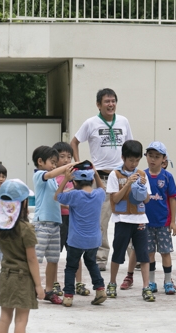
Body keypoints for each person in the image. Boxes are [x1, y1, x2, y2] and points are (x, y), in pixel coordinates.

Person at [70, 88, 133, 271]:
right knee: (100, 221)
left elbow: (130, 145)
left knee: (128, 218)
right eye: (106, 101)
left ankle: (133, 258)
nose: (110, 104)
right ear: (98, 104)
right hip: (101, 179)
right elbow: (74, 142)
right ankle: (100, 258)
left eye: (113, 101)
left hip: (121, 177)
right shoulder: (91, 123)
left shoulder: (123, 121)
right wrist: (79, 164)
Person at [0, 179, 44, 333]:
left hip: (6, 275)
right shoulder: (26, 228)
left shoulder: (0, 226)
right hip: (22, 277)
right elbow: (32, 259)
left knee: (4, 317)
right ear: (23, 203)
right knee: (21, 320)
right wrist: (39, 286)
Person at [106, 140, 155, 302]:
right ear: (123, 158)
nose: (133, 164)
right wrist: (127, 184)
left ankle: (146, 286)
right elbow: (115, 198)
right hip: (122, 219)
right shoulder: (115, 175)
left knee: (144, 254)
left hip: (140, 219)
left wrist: (141, 187)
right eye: (130, 160)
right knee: (118, 252)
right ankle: (112, 283)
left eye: (136, 160)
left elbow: (147, 200)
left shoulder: (142, 174)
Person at [55, 164, 107, 307]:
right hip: (94, 240)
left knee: (71, 267)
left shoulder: (74, 195)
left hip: (76, 240)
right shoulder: (99, 194)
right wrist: (96, 174)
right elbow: (103, 188)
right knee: (91, 263)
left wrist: (66, 179)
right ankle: (100, 288)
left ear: (75, 183)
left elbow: (57, 196)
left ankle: (68, 295)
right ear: (92, 181)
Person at [32, 145, 74, 304]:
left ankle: (49, 290)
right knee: (36, 258)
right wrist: (66, 167)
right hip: (42, 224)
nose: (55, 165)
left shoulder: (53, 181)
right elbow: (49, 174)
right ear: (40, 161)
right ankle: (33, 287)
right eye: (53, 162)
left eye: (56, 163)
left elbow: (57, 198)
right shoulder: (39, 175)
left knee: (54, 259)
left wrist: (67, 181)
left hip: (56, 224)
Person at [52, 142, 91, 298]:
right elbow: (55, 198)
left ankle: (79, 282)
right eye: (62, 157)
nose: (67, 160)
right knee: (55, 253)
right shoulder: (54, 176)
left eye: (69, 157)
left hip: (74, 219)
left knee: (76, 252)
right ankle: (54, 283)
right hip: (58, 219)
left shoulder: (77, 176)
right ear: (54, 159)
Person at [142, 141, 176, 295]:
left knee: (165, 252)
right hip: (146, 223)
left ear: (164, 159)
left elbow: (172, 199)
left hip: (163, 222)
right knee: (149, 253)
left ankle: (168, 281)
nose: (153, 159)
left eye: (157, 156)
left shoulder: (167, 177)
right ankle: (151, 282)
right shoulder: (142, 175)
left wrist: (173, 221)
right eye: (150, 155)